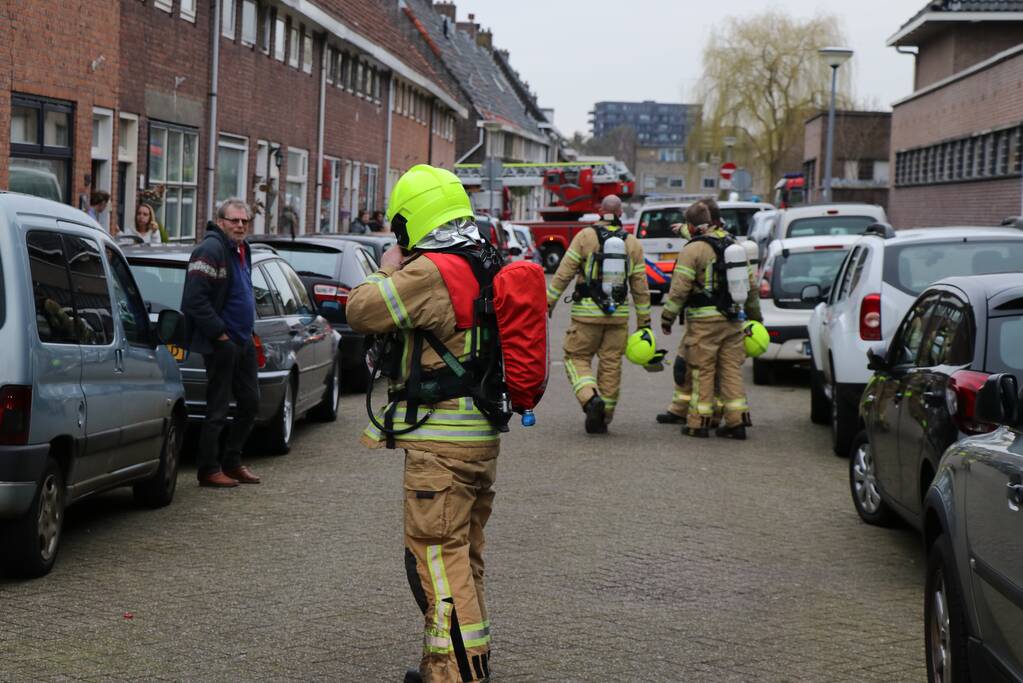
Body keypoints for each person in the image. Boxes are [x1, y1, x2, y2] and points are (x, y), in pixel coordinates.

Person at [346, 165, 501, 683]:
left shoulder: (432, 271)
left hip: (441, 444)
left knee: (435, 559)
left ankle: (458, 675)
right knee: (462, 558)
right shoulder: (484, 259)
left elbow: (362, 311)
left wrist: (385, 267)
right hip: (478, 436)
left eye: (400, 230)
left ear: (412, 220)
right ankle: (449, 664)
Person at [546, 195, 651, 433]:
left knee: (576, 358)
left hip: (586, 316)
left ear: (600, 211)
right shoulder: (632, 243)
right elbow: (640, 288)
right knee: (611, 364)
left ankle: (590, 399)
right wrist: (645, 323)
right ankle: (604, 417)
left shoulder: (585, 237)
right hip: (618, 317)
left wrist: (548, 303)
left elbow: (563, 273)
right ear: (620, 214)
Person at [660, 201, 762, 439]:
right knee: (730, 370)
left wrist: (667, 318)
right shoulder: (733, 245)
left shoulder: (693, 250)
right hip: (734, 320)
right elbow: (752, 287)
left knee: (702, 370)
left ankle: (699, 422)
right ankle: (737, 422)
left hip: (704, 322)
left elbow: (679, 290)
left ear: (692, 226)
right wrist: (756, 318)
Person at [180, 198, 261, 487]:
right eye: (234, 220)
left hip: (243, 340)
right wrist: (220, 334)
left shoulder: (243, 249)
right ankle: (208, 469)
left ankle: (232, 461)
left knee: (251, 402)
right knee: (217, 408)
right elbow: (194, 299)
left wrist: (247, 331)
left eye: (244, 221)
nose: (240, 225)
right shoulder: (210, 249)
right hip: (221, 342)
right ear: (220, 221)